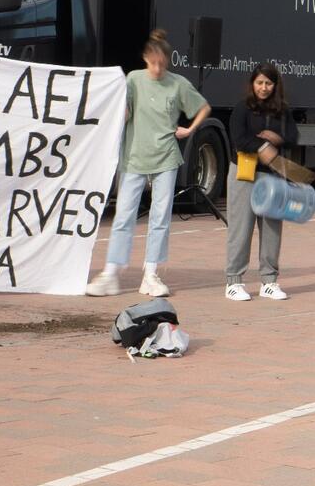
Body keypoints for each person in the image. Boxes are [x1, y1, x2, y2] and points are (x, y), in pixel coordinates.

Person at [88, 29, 208, 298]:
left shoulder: (177, 84)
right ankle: (111, 272)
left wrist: (189, 130)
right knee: (123, 215)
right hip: (134, 156)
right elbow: (126, 111)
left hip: (165, 156)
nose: (157, 68)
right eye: (153, 63)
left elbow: (202, 107)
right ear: (145, 59)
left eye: (162, 64)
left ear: (167, 61)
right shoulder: (133, 79)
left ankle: (150, 273)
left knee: (160, 217)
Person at [225, 63, 297, 302]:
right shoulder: (242, 108)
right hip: (244, 173)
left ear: (275, 85)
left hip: (272, 175)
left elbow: (293, 137)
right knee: (241, 227)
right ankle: (234, 281)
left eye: (268, 83)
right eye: (259, 83)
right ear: (252, 84)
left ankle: (269, 281)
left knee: (272, 228)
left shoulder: (282, 110)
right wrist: (262, 145)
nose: (264, 88)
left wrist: (277, 138)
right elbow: (239, 139)